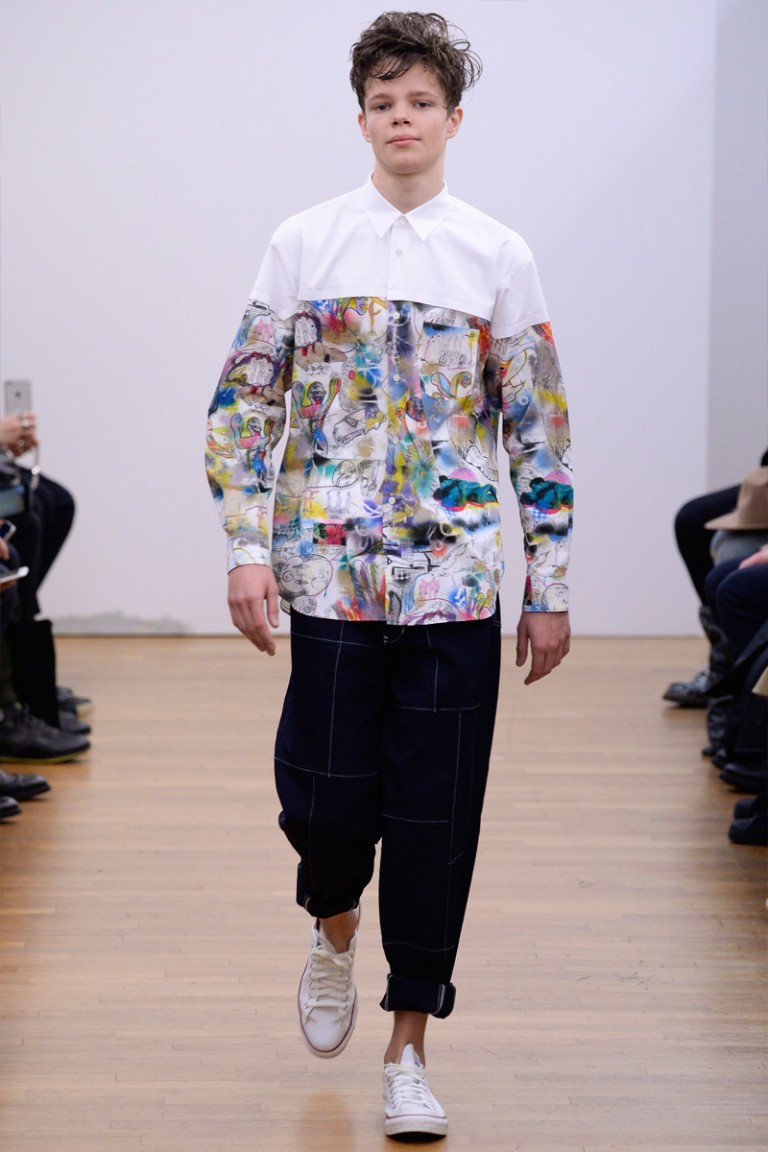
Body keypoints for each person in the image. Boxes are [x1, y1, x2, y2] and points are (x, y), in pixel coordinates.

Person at [206, 12, 572, 1140]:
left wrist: (549, 583)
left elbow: (540, 434)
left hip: (456, 583)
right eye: (383, 102)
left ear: (454, 119)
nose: (401, 119)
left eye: (420, 103)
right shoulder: (304, 242)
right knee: (323, 794)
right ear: (360, 118)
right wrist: (246, 549)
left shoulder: (498, 255)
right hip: (326, 574)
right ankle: (332, 926)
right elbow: (244, 406)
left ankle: (409, 1046)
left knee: (436, 813)